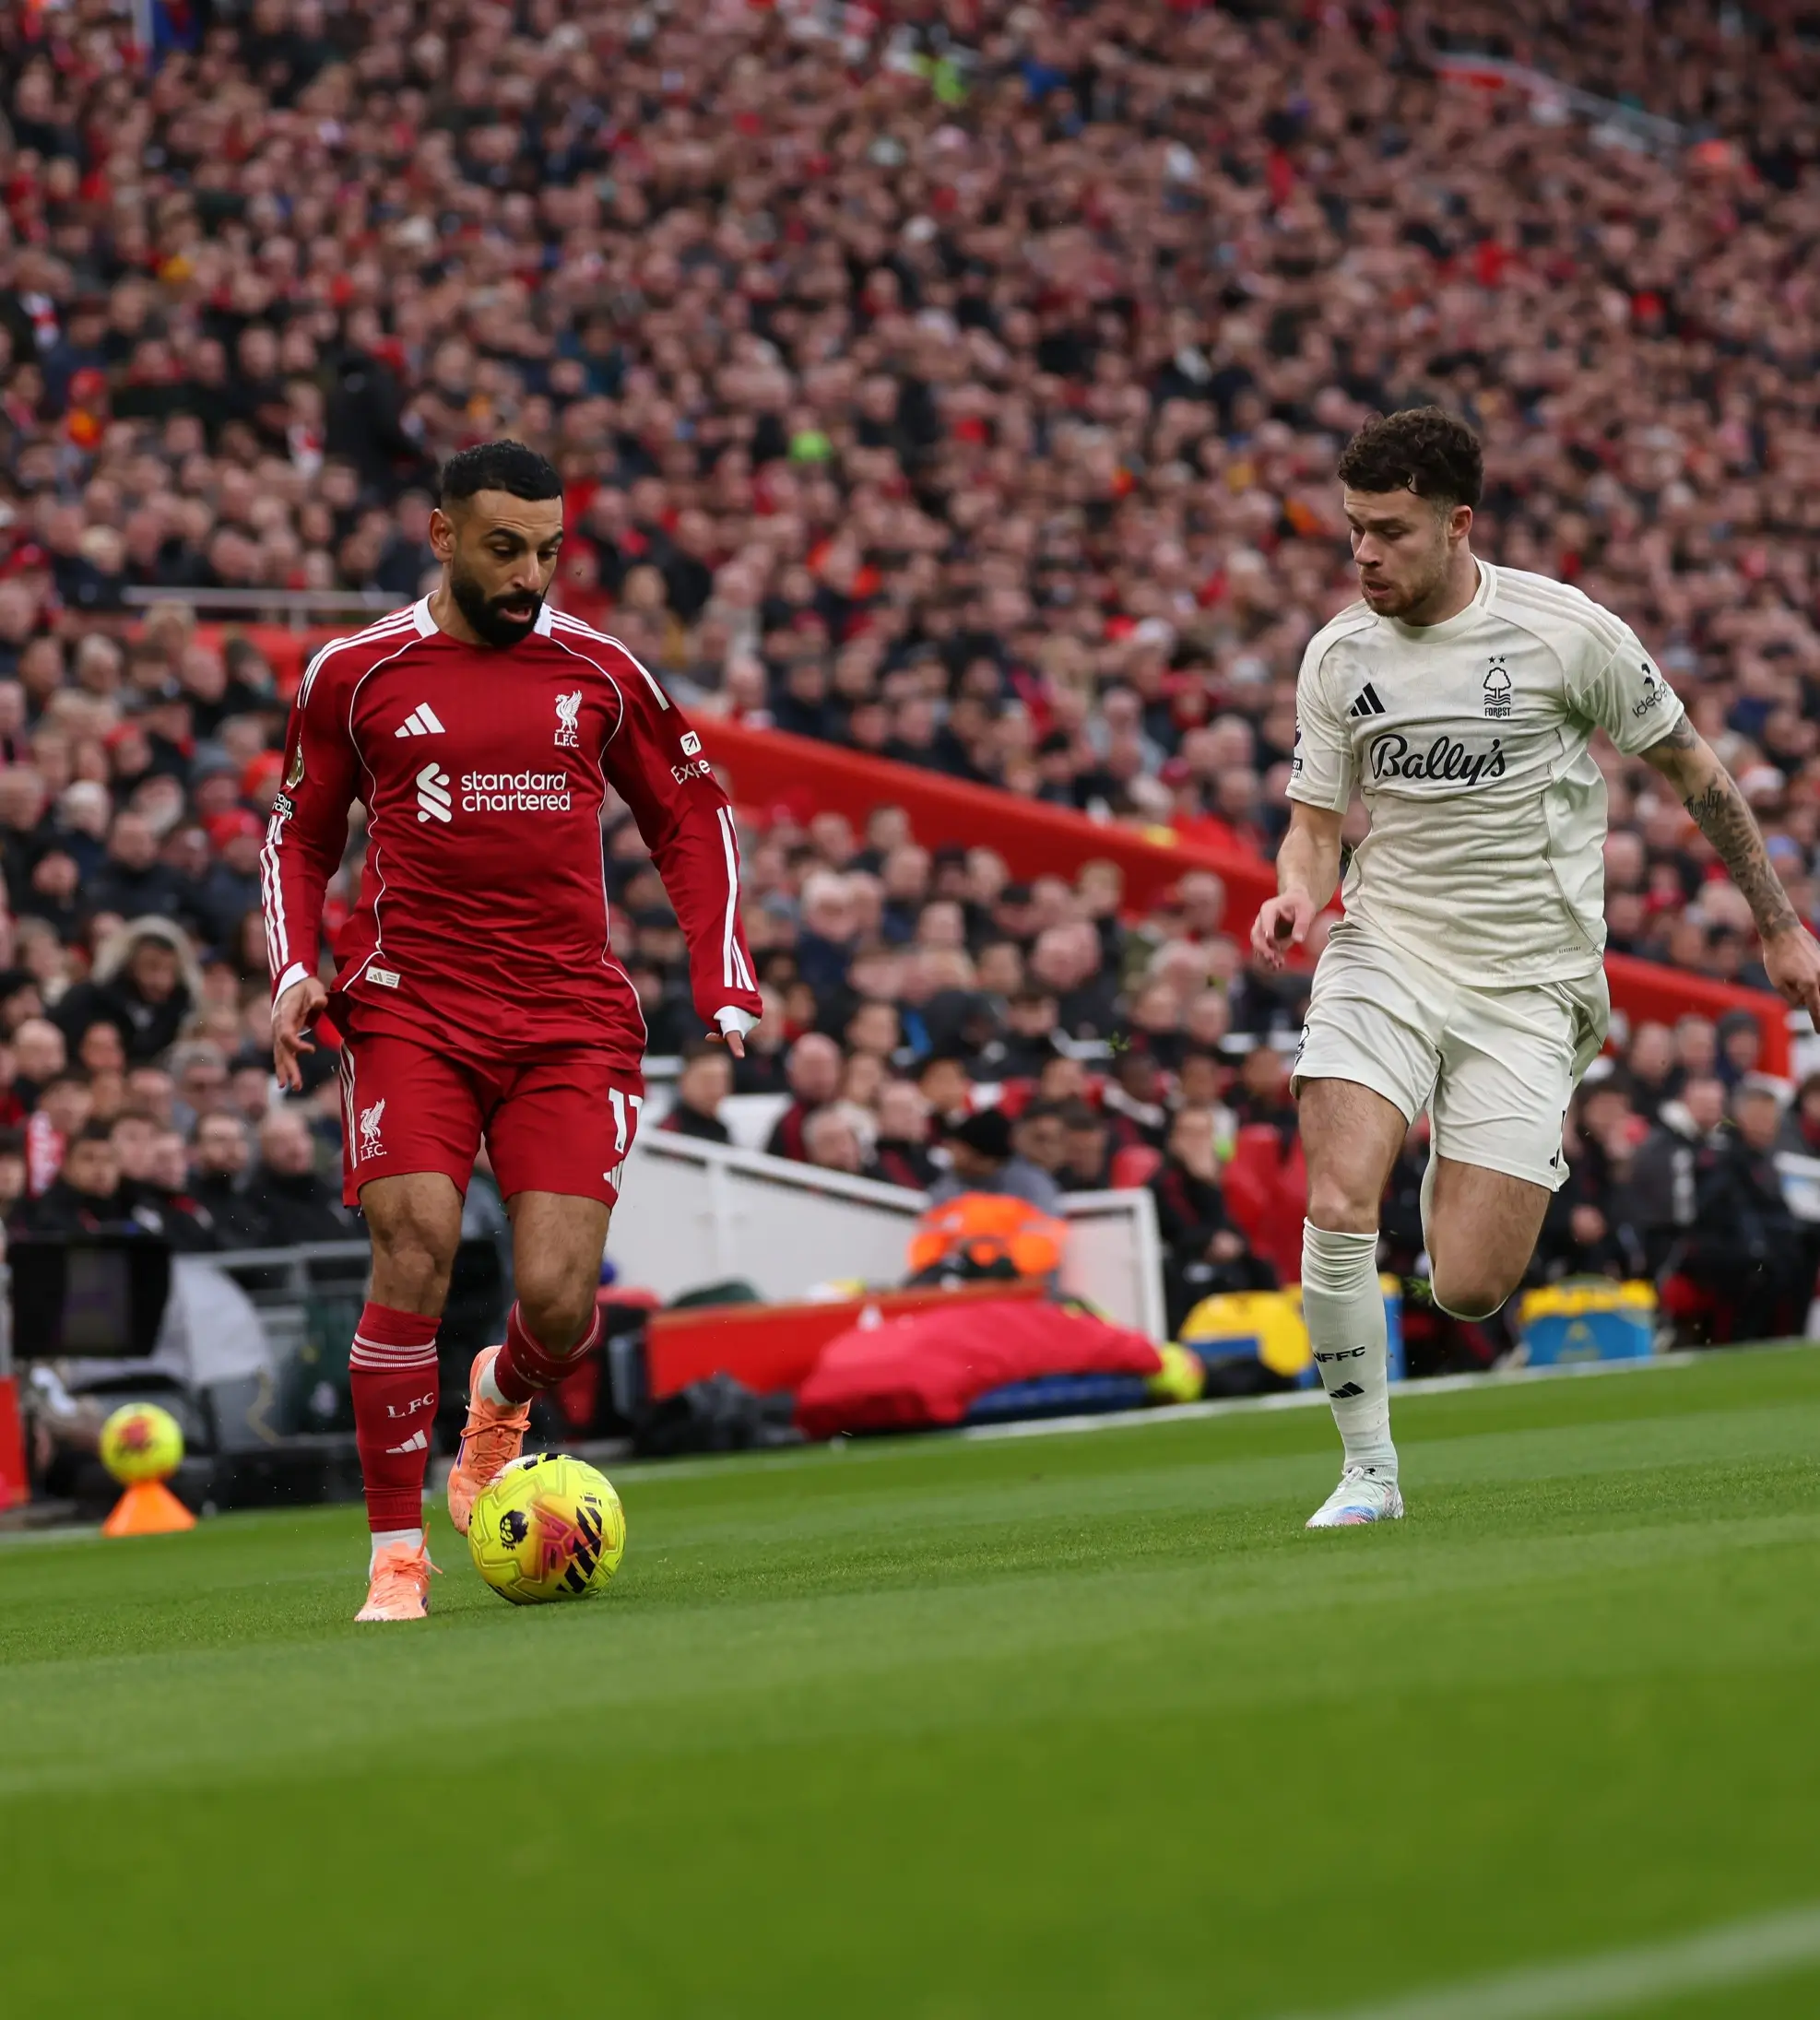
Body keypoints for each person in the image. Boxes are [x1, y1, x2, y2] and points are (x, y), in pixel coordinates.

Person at [1253, 407, 1820, 1529]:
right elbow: (1315, 826)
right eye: (1354, 529)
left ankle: (1460, 1147)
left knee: (1469, 1284)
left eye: (1390, 531)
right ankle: (1368, 1471)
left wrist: (1779, 926)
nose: (1364, 553)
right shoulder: (1339, 655)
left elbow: (1696, 773)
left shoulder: (1567, 634)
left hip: (1530, 981)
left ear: (1458, 523)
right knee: (1337, 1195)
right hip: (1386, 949)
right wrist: (1298, 895)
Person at [265, 440, 762, 1621]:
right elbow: (300, 831)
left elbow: (688, 813)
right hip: (412, 1006)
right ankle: (396, 1555)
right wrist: (291, 967)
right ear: (442, 537)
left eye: (547, 551)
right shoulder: (356, 672)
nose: (529, 575)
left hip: (567, 1018)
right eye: (503, 549)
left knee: (559, 1301)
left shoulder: (600, 670)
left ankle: (499, 1401)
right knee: (415, 1245)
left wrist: (723, 969)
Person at [1684, 1078, 1812, 1342]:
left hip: (1756, 1240)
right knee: (1767, 1267)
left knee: (1803, 1250)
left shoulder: (1767, 1158)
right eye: (1759, 1118)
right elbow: (1725, 1212)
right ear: (1741, 1118)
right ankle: (1744, 1338)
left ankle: (1790, 1336)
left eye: (1771, 1118)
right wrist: (1762, 1244)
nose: (1767, 1125)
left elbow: (1776, 1210)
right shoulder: (1725, 1155)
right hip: (1720, 1244)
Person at [1149, 1104, 1277, 1333]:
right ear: (1174, 1139)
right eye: (1190, 1134)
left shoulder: (1217, 1177)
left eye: (1204, 1134)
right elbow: (1177, 1230)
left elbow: (1230, 1224)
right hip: (1181, 1261)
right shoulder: (1164, 1182)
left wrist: (1207, 1183)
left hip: (1219, 1255)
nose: (1197, 1142)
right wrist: (1210, 1241)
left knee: (1261, 1268)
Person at [242, 1105, 354, 1246]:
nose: (296, 1149)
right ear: (265, 1150)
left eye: (300, 1137)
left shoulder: (332, 1194)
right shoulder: (255, 1204)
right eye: (282, 1143)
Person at [928, 1106, 1062, 1213]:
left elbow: (1047, 1226)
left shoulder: (1030, 1184)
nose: (952, 1153)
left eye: (959, 1149)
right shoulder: (952, 1180)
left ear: (984, 1160)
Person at [187, 1110, 269, 1248]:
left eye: (238, 1140)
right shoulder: (185, 1202)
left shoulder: (255, 1197)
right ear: (194, 1150)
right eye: (220, 1140)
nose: (232, 1149)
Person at [763, 1033, 841, 1163]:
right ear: (792, 1074)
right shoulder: (786, 1127)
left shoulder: (851, 1115)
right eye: (811, 1069)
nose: (820, 1077)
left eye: (826, 1068)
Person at [661, 1044, 733, 1144]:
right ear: (683, 1082)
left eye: (721, 1082)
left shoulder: (721, 1130)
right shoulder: (667, 1133)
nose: (716, 1091)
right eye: (708, 1081)